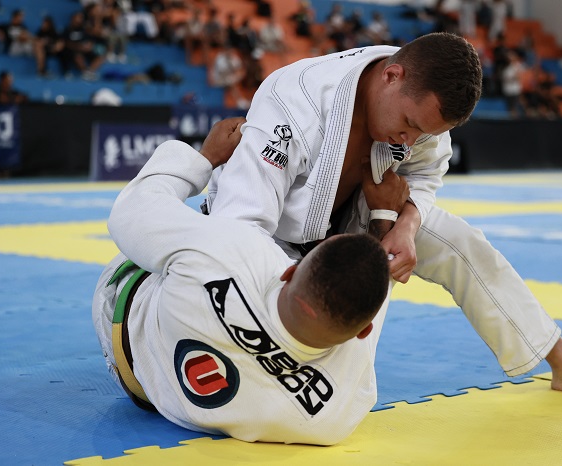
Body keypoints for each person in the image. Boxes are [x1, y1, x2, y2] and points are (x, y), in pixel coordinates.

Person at [202, 32, 562, 405]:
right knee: (315, 375)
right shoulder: (294, 100)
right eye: (408, 124)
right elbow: (239, 225)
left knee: (459, 240)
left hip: (353, 220)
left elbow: (426, 176)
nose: (410, 140)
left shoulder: (421, 111)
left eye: (424, 133)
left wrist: (403, 228)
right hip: (271, 240)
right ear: (392, 76)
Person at [93, 117, 405, 444]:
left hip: (123, 317)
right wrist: (383, 217)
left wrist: (205, 159)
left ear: (289, 270)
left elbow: (130, 211)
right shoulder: (338, 416)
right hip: (162, 400)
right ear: (363, 331)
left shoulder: (230, 253)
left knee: (214, 231)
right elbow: (374, 288)